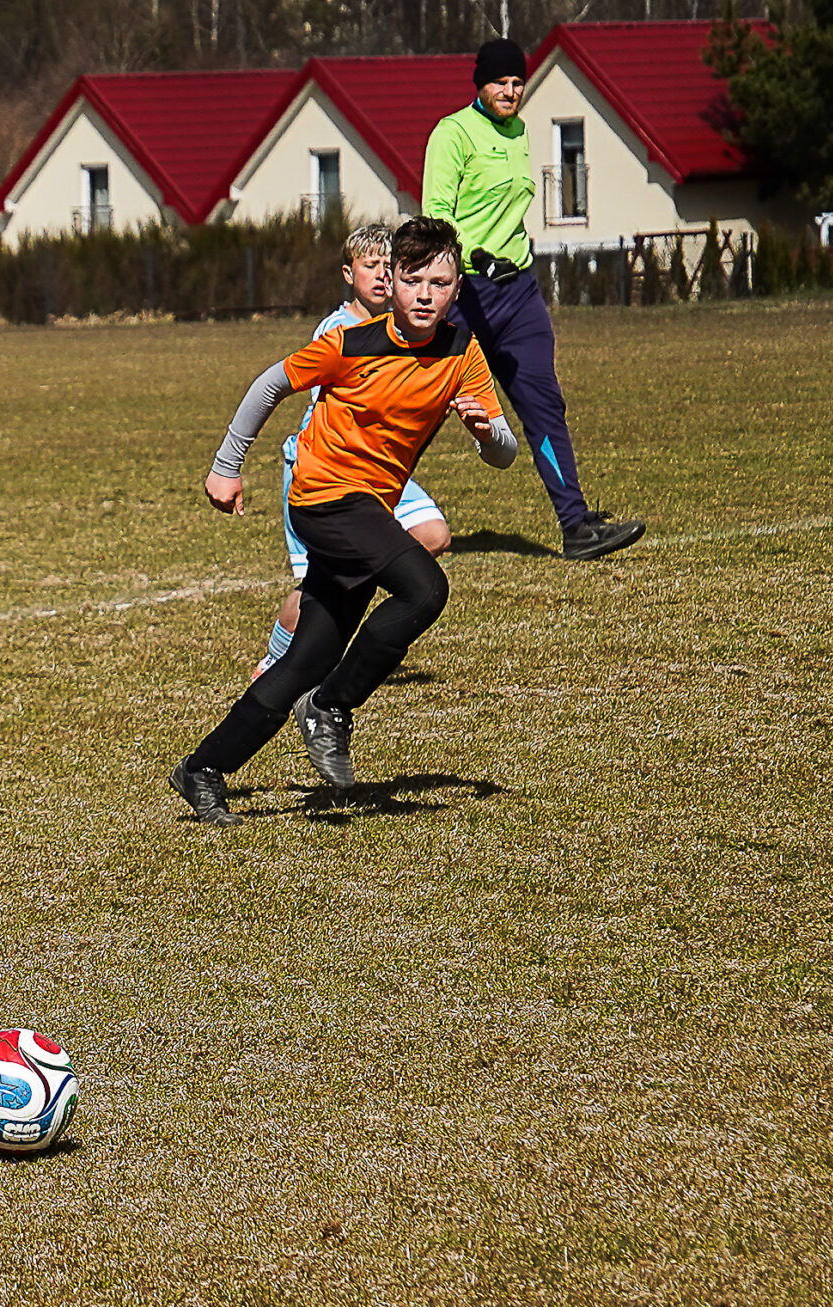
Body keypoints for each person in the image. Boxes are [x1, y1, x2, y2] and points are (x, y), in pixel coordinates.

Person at [171, 217, 517, 826]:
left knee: (306, 659)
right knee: (424, 589)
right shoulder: (351, 341)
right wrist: (225, 467)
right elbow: (269, 386)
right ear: (392, 280)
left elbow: (505, 452)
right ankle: (332, 705)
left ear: (457, 289)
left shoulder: (462, 353)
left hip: (371, 509)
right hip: (323, 498)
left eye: (439, 283)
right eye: (412, 280)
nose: (425, 295)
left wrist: (486, 433)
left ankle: (203, 769)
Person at [421, 37, 644, 561]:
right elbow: (436, 215)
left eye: (518, 82)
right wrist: (476, 257)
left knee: (544, 403)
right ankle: (363, 511)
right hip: (465, 295)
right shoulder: (452, 133)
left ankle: (576, 525)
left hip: (518, 293)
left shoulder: (519, 132)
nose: (510, 91)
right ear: (480, 83)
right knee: (420, 408)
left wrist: (512, 258)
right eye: (500, 82)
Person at [254, 222, 453, 677]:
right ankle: (276, 660)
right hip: (328, 469)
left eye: (389, 266)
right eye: (370, 265)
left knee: (433, 534)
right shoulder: (339, 330)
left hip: (379, 469)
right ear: (349, 274)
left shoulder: (404, 328)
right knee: (318, 586)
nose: (381, 275)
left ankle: (342, 630)